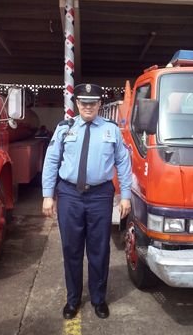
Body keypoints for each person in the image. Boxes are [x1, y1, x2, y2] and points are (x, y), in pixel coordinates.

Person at [42, 83, 132, 320]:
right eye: (83, 102)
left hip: (100, 195)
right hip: (70, 195)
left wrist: (125, 196)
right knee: (71, 249)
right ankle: (72, 300)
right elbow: (51, 161)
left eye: (92, 103)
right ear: (77, 104)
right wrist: (47, 195)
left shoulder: (111, 130)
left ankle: (98, 299)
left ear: (99, 105)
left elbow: (123, 163)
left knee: (99, 250)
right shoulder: (64, 128)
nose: (88, 106)